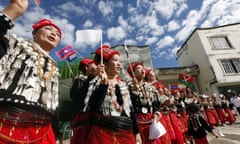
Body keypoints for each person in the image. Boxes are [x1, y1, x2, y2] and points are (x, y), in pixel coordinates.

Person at [0, 1, 62, 144]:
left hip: (43, 130)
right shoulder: (13, 44)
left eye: (57, 34)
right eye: (48, 29)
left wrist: (56, 134)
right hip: (6, 122)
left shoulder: (54, 68)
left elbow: (54, 105)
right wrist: (11, 12)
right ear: (35, 33)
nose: (54, 33)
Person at [71, 45, 142, 144]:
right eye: (115, 61)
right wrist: (103, 85)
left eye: (119, 62)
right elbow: (93, 107)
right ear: (104, 63)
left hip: (126, 133)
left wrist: (136, 132)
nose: (119, 64)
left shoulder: (123, 84)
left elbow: (130, 111)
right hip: (103, 134)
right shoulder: (95, 81)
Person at [127, 62, 162, 144]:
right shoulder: (128, 86)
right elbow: (129, 105)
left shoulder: (151, 87)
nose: (142, 69)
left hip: (151, 120)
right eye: (139, 68)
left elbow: (156, 103)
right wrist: (135, 92)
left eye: (143, 68)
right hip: (137, 121)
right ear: (133, 72)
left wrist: (156, 113)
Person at [70, 57, 98, 144]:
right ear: (86, 67)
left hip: (95, 116)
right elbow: (75, 96)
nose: (97, 66)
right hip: (83, 116)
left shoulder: (97, 80)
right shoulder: (80, 80)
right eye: (94, 64)